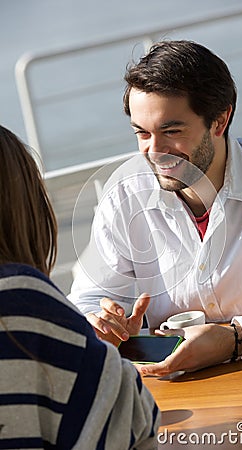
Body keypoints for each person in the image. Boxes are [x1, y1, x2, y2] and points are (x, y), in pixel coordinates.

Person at [68, 40, 242, 376]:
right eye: (142, 133)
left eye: (171, 131)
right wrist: (102, 326)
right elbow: (86, 301)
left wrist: (239, 337)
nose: (154, 151)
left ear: (220, 121)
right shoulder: (124, 193)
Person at [0, 125, 159, 448]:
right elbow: (134, 423)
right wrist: (97, 354)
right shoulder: (22, 302)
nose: (153, 150)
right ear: (28, 208)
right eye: (141, 133)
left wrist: (90, 342)